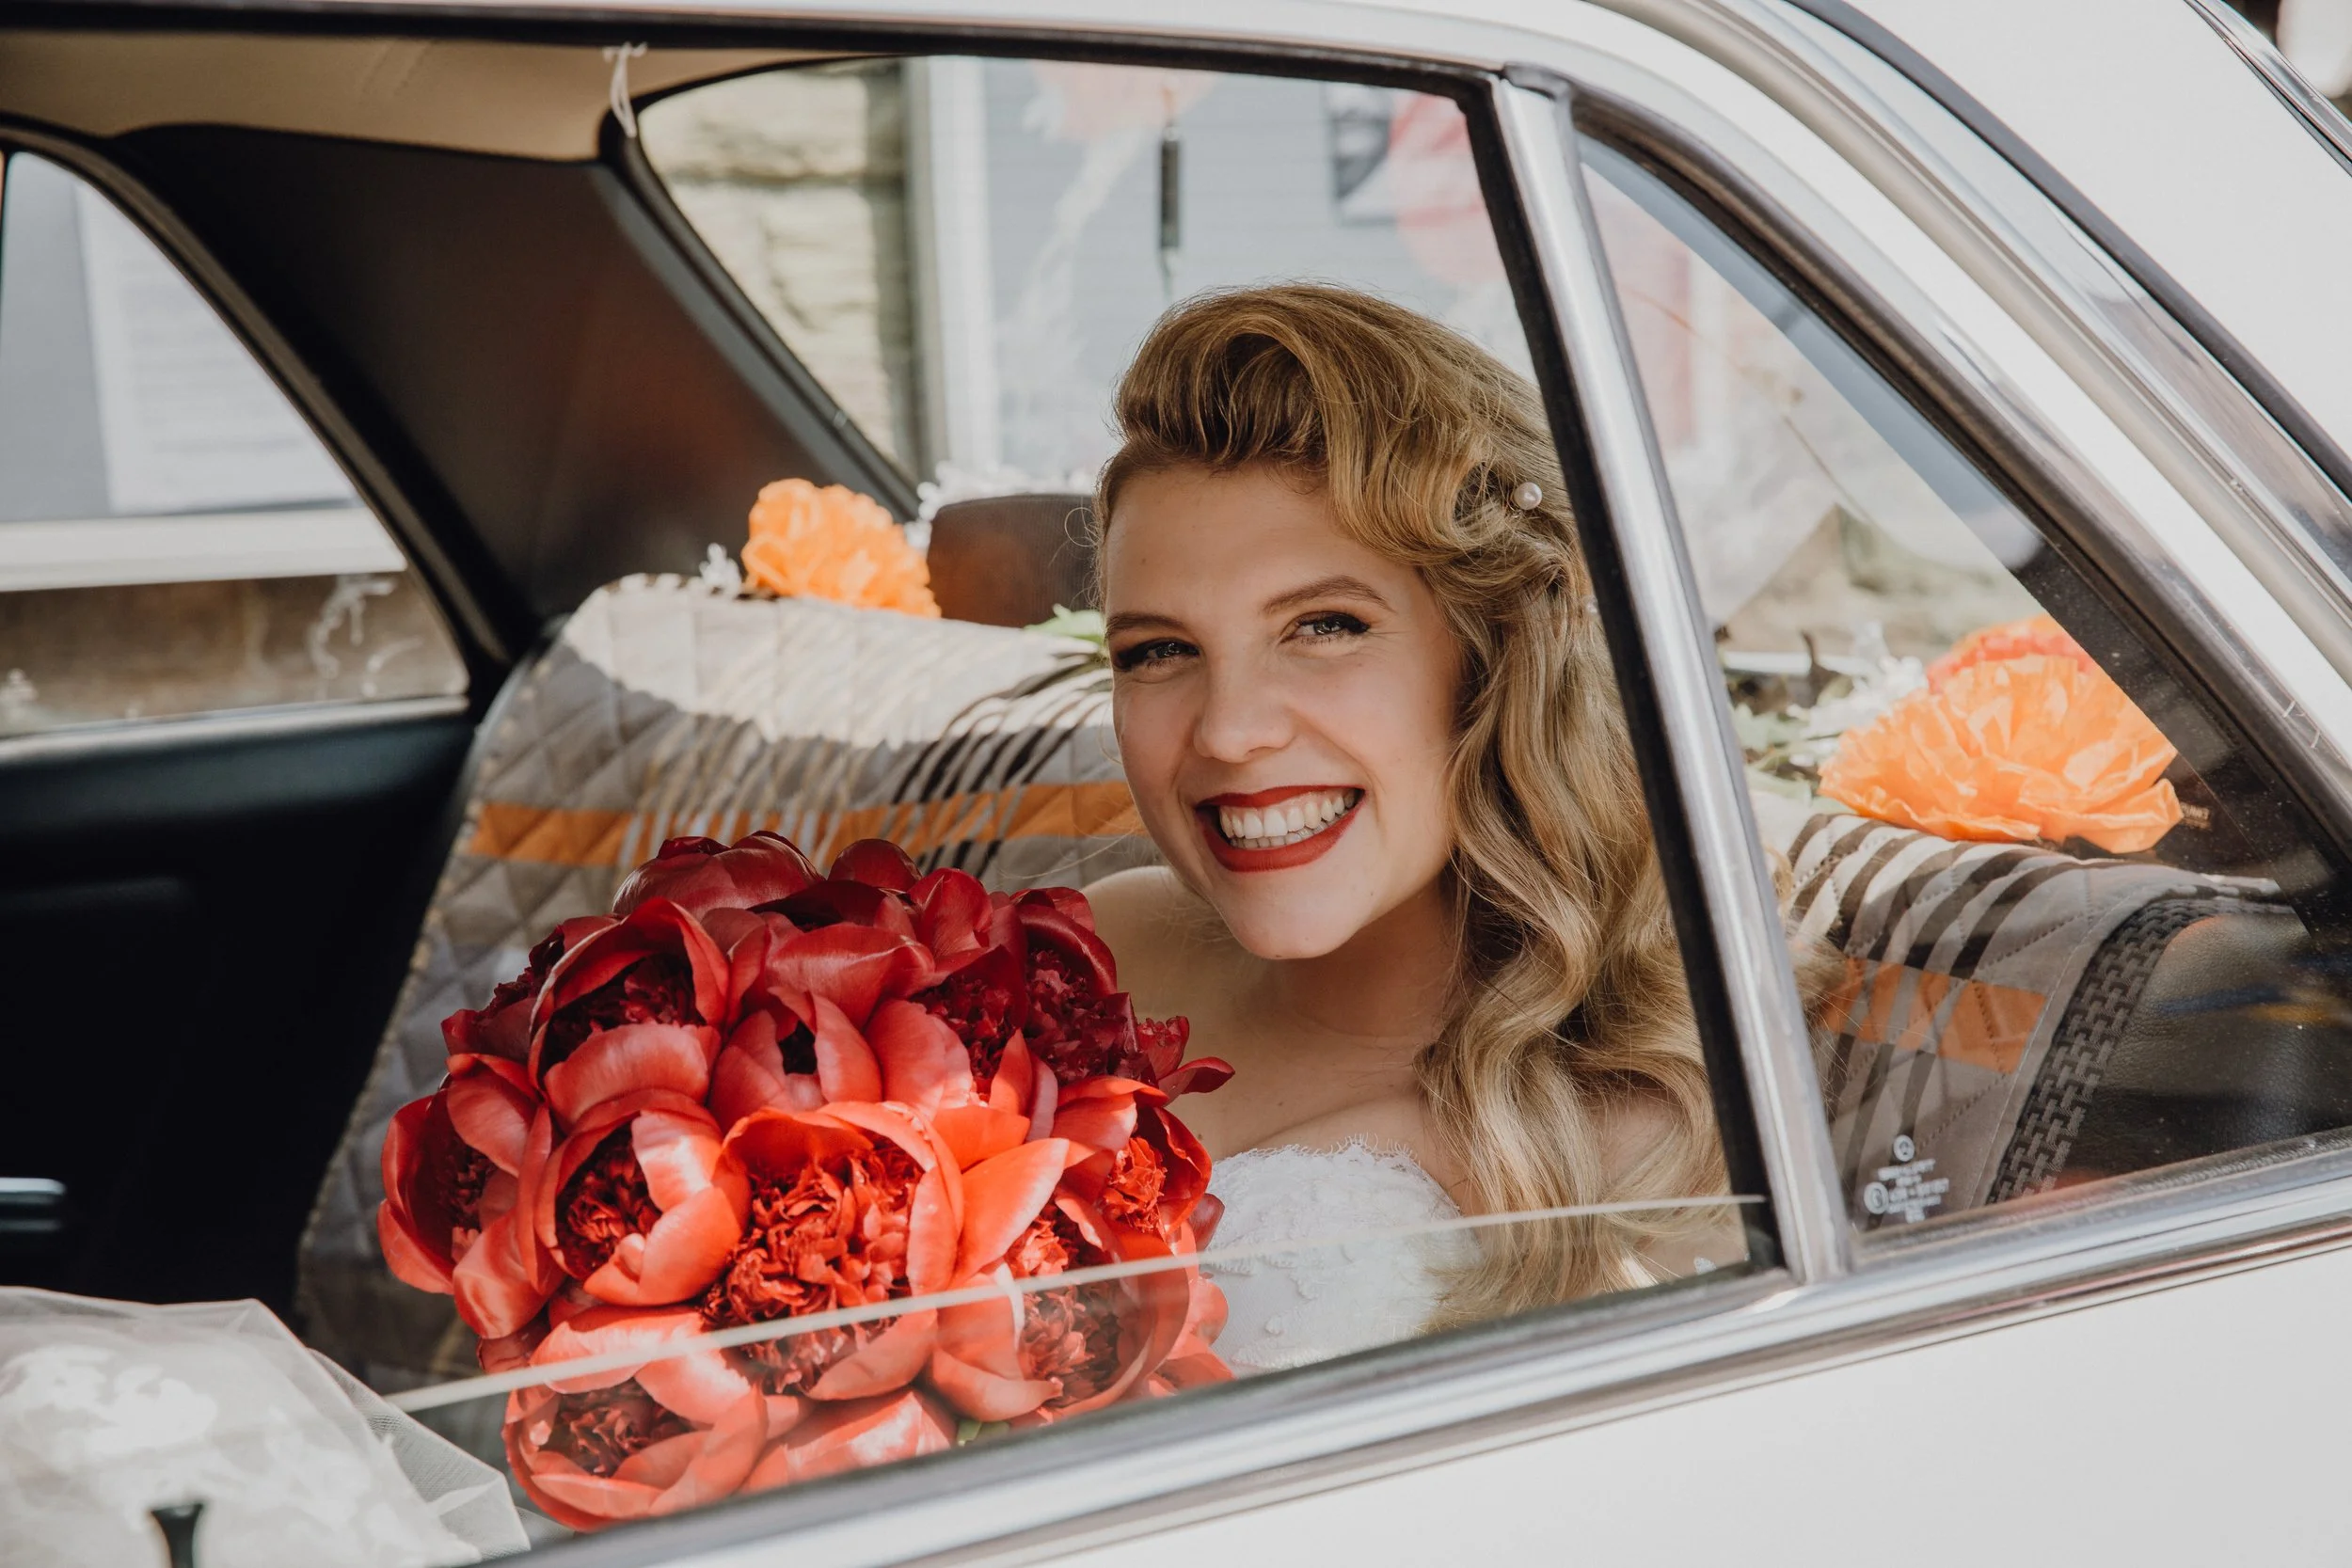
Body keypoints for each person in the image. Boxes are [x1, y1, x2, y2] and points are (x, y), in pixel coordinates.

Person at [1084, 284, 1732, 1372]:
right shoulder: (1094, 953)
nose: (1231, 731)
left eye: (1324, 626)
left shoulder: (1641, 1130)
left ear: (1498, 657)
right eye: (1157, 649)